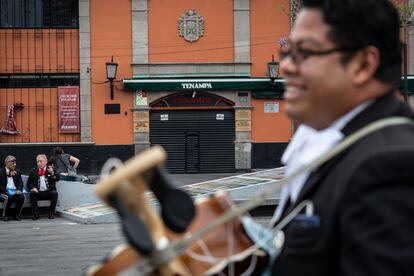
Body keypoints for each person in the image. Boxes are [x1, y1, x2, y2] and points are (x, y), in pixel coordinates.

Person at [271, 0, 414, 275]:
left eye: (305, 52)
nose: (286, 66)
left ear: (362, 64)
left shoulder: (389, 167)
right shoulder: (341, 146)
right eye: (287, 51)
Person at [27, 154, 59, 220]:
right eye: (37, 162)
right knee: (32, 194)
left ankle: (51, 214)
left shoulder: (50, 169)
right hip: (38, 192)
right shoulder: (33, 171)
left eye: (40, 161)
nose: (39, 163)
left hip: (48, 192)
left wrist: (52, 173)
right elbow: (29, 183)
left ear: (46, 162)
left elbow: (57, 179)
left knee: (55, 193)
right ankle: (36, 214)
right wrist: (33, 188)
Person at [0, 155, 24, 221]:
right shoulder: (1, 172)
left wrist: (19, 190)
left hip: (15, 192)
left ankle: (16, 214)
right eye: (13, 162)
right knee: (8, 197)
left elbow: (20, 183)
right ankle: (5, 215)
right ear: (7, 163)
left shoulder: (17, 172)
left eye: (15, 162)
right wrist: (6, 190)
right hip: (4, 193)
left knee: (21, 197)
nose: (15, 164)